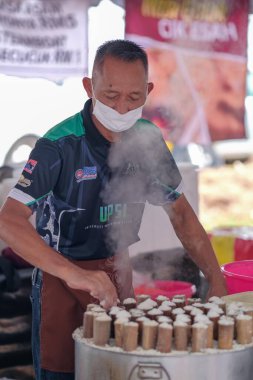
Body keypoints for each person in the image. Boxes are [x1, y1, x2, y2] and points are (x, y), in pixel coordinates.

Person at [0, 39, 227, 379]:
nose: (122, 108)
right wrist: (78, 275)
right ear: (89, 87)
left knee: (120, 370)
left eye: (134, 97)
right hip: (60, 278)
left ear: (148, 92)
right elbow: (9, 223)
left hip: (117, 273)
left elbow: (181, 213)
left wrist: (216, 277)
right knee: (62, 371)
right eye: (110, 95)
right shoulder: (59, 145)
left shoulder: (148, 142)